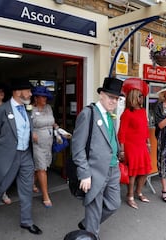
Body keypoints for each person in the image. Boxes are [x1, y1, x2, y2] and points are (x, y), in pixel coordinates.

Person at [0, 78, 42, 235]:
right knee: (1, 186)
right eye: (28, 91)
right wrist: (1, 154)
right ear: (18, 92)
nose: (31, 94)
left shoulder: (27, 109)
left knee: (26, 189)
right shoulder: (0, 111)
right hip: (9, 155)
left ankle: (26, 221)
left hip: (26, 155)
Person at [72, 77, 123, 239]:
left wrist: (118, 153)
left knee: (114, 204)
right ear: (101, 94)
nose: (113, 101)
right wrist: (84, 174)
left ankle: (87, 225)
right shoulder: (88, 114)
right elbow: (77, 147)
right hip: (94, 172)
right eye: (110, 97)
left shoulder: (110, 116)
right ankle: (91, 233)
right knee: (94, 210)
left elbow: (110, 140)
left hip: (113, 169)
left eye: (116, 98)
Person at [117, 80, 152, 209]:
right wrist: (121, 150)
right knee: (132, 173)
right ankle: (130, 196)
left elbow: (145, 128)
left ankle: (139, 192)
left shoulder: (142, 111)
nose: (142, 98)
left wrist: (148, 142)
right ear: (133, 97)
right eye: (140, 95)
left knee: (145, 171)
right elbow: (122, 133)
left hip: (142, 145)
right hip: (130, 146)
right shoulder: (127, 113)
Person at [31, 85, 57, 208]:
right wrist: (31, 132)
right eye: (43, 97)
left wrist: (58, 130)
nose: (45, 99)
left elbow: (52, 122)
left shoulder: (48, 108)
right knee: (42, 168)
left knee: (42, 165)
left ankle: (31, 184)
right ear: (36, 98)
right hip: (37, 143)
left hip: (48, 142)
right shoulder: (30, 109)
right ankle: (45, 196)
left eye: (46, 97)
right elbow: (25, 124)